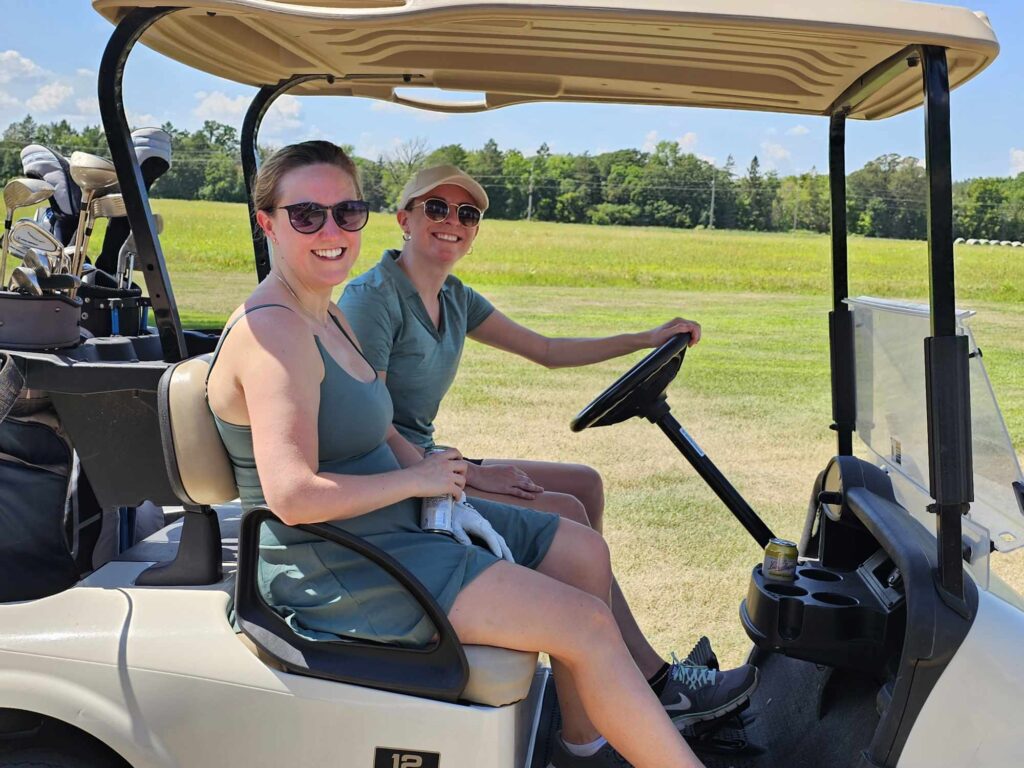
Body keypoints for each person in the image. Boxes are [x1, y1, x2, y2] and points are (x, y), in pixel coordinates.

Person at [206, 141, 755, 768]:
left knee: (581, 551)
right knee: (587, 624)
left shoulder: (327, 315)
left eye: (346, 212)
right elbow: (293, 496)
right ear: (267, 221)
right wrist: (420, 478)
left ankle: (584, 744)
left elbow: (384, 421)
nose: (332, 230)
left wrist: (438, 483)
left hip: (392, 523)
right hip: (342, 565)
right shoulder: (278, 328)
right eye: (307, 215)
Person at [339, 164, 725, 717]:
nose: (453, 222)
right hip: (396, 478)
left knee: (584, 485)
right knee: (566, 512)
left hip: (434, 461)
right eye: (437, 209)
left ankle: (599, 662)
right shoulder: (373, 298)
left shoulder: (454, 298)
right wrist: (470, 473)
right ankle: (649, 679)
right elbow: (371, 420)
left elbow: (544, 348)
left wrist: (646, 338)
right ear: (404, 218)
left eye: (467, 214)